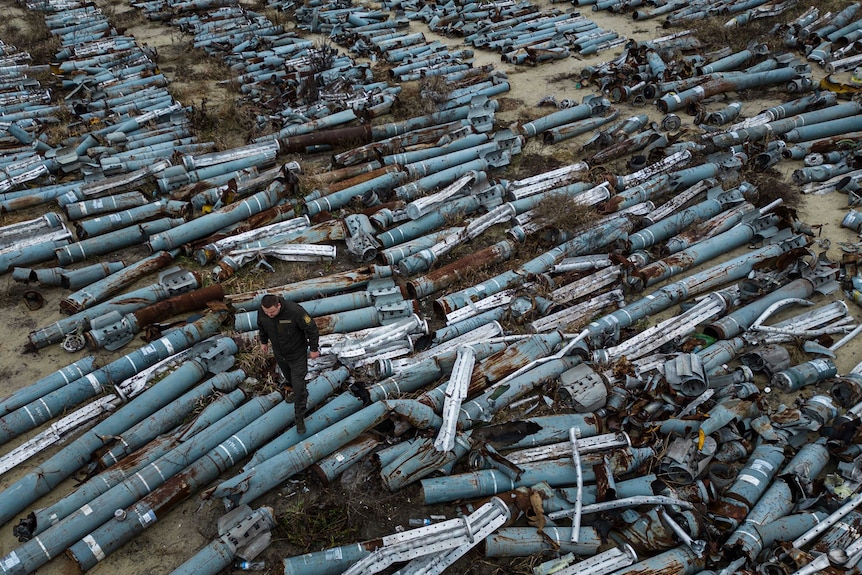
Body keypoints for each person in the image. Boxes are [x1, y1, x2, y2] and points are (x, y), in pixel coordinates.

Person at [257, 294, 320, 434]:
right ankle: (302, 391)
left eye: (272, 312)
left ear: (278, 305)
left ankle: (299, 418)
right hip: (280, 355)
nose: (269, 315)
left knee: (297, 386)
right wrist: (263, 342)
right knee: (290, 378)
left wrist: (314, 348)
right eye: (266, 312)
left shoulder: (295, 311)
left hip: (297, 354)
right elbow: (261, 326)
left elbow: (312, 328)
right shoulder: (263, 312)